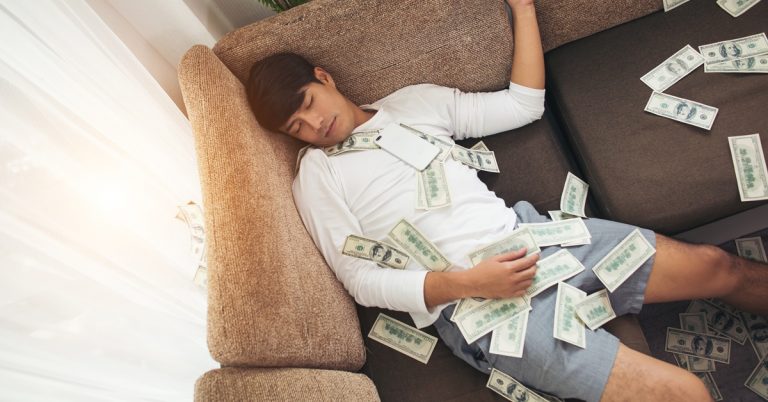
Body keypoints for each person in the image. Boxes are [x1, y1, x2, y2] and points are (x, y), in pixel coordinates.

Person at [245, 1, 768, 401]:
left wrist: (521, 8)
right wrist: (468, 283)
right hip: (481, 309)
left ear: (325, 78)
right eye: (297, 127)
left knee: (719, 267)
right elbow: (359, 279)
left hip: (533, 239)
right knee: (687, 393)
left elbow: (523, 104)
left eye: (310, 105)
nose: (315, 126)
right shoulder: (317, 175)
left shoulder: (412, 104)